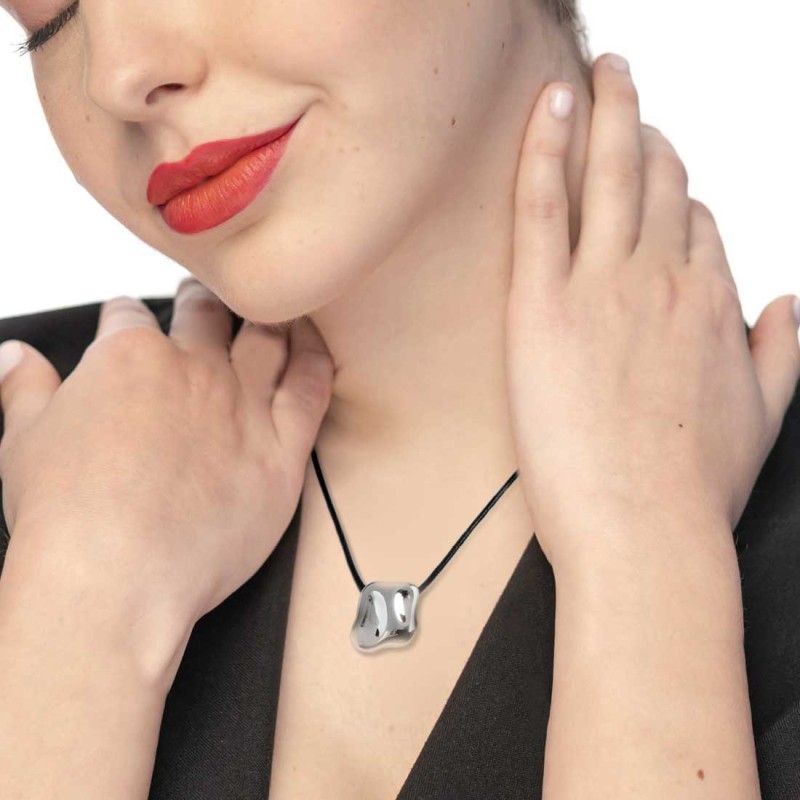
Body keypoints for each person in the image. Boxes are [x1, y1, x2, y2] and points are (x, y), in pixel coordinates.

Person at [0, 1, 798, 798]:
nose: (118, 74)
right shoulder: (34, 454)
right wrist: (76, 624)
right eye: (49, 20)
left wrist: (647, 556)